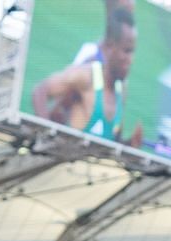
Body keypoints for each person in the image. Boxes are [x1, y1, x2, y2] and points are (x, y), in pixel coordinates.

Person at [28, 4, 143, 147]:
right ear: (109, 47)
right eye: (126, 51)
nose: (130, 59)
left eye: (132, 52)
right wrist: (46, 133)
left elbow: (111, 142)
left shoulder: (122, 89)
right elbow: (40, 91)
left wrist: (129, 144)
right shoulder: (86, 75)